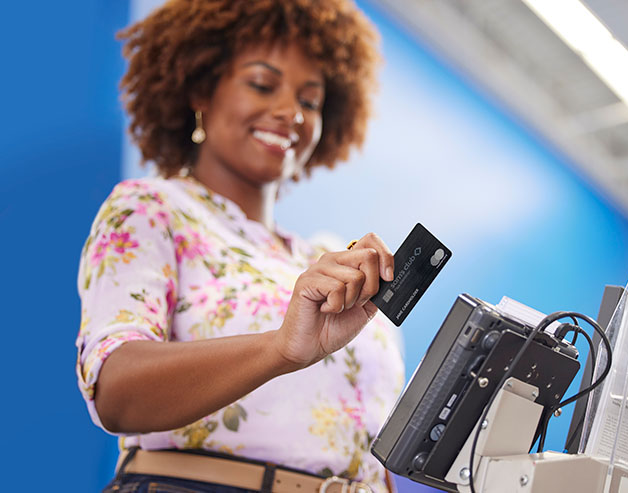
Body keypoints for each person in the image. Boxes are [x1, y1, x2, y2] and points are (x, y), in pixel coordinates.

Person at [74, 1, 405, 492]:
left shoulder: (330, 259)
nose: (291, 112)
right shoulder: (153, 209)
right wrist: (278, 349)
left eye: (310, 101)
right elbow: (114, 390)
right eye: (262, 84)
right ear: (201, 89)